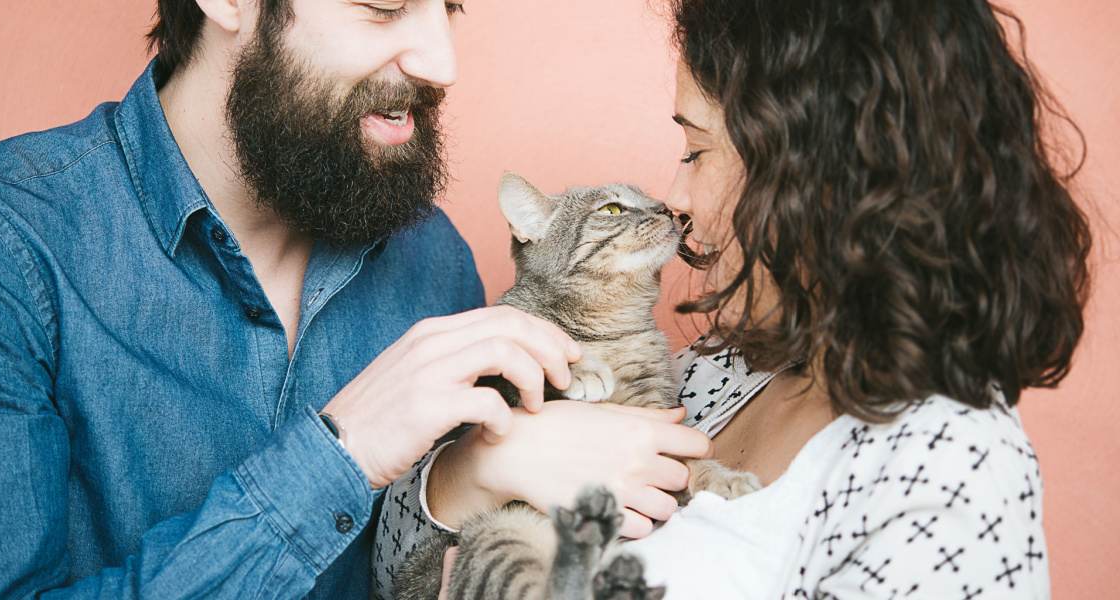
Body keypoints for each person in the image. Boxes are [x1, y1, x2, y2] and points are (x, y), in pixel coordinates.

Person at [0, 1, 707, 597]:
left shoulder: (434, 259)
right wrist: (341, 455)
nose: (442, 60)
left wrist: (466, 483)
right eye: (383, 3)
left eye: (450, 8)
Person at [376, 1, 1091, 598]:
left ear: (817, 169)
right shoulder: (730, 364)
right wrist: (480, 468)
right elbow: (387, 566)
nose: (675, 201)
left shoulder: (949, 467)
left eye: (695, 152)